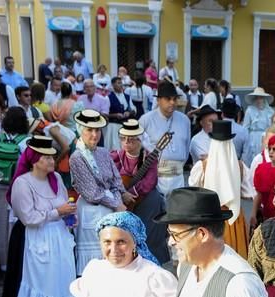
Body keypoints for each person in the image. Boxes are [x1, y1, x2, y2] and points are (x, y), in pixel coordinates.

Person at [0, 135, 80, 297]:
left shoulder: (57, 180)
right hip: (34, 238)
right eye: (47, 158)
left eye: (53, 157)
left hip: (58, 239)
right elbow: (28, 218)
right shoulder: (22, 183)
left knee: (59, 279)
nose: (53, 161)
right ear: (35, 159)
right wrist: (57, 212)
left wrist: (70, 216)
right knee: (38, 280)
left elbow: (63, 204)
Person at [70, 109, 126, 275]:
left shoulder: (103, 152)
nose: (94, 135)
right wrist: (117, 204)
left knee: (111, 257)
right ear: (81, 130)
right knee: (93, 263)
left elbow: (116, 180)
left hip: (110, 209)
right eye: (89, 130)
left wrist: (117, 201)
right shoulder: (77, 157)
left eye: (97, 130)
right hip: (90, 210)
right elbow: (92, 193)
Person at [111, 119, 170, 264]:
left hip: (146, 200)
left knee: (149, 229)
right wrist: (122, 194)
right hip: (121, 201)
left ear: (139, 140)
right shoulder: (115, 156)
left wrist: (130, 193)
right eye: (123, 139)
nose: (126, 143)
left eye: (131, 140)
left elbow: (150, 181)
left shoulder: (148, 157)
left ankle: (151, 261)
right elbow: (109, 177)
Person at [203, 121, 250, 258]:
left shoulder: (202, 166)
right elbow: (248, 193)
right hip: (233, 218)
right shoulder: (240, 166)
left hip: (210, 219)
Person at [140, 80, 191, 196]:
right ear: (158, 100)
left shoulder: (185, 120)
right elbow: (138, 147)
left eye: (174, 99)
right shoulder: (146, 120)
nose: (172, 102)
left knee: (177, 212)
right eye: (168, 99)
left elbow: (187, 147)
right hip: (155, 178)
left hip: (178, 177)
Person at [243, 87, 274, 167]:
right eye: (257, 98)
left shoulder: (270, 111)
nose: (258, 100)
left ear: (264, 99)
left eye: (260, 97)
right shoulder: (249, 110)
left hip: (266, 136)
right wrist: (246, 139)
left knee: (265, 156)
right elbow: (245, 127)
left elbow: (272, 127)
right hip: (253, 136)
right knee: (253, 157)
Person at [105, 76, 135, 150]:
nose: (121, 85)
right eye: (118, 83)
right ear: (113, 85)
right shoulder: (108, 98)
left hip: (125, 126)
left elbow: (134, 110)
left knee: (125, 148)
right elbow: (105, 114)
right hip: (113, 127)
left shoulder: (127, 96)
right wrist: (115, 115)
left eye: (121, 83)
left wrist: (129, 113)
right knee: (114, 148)